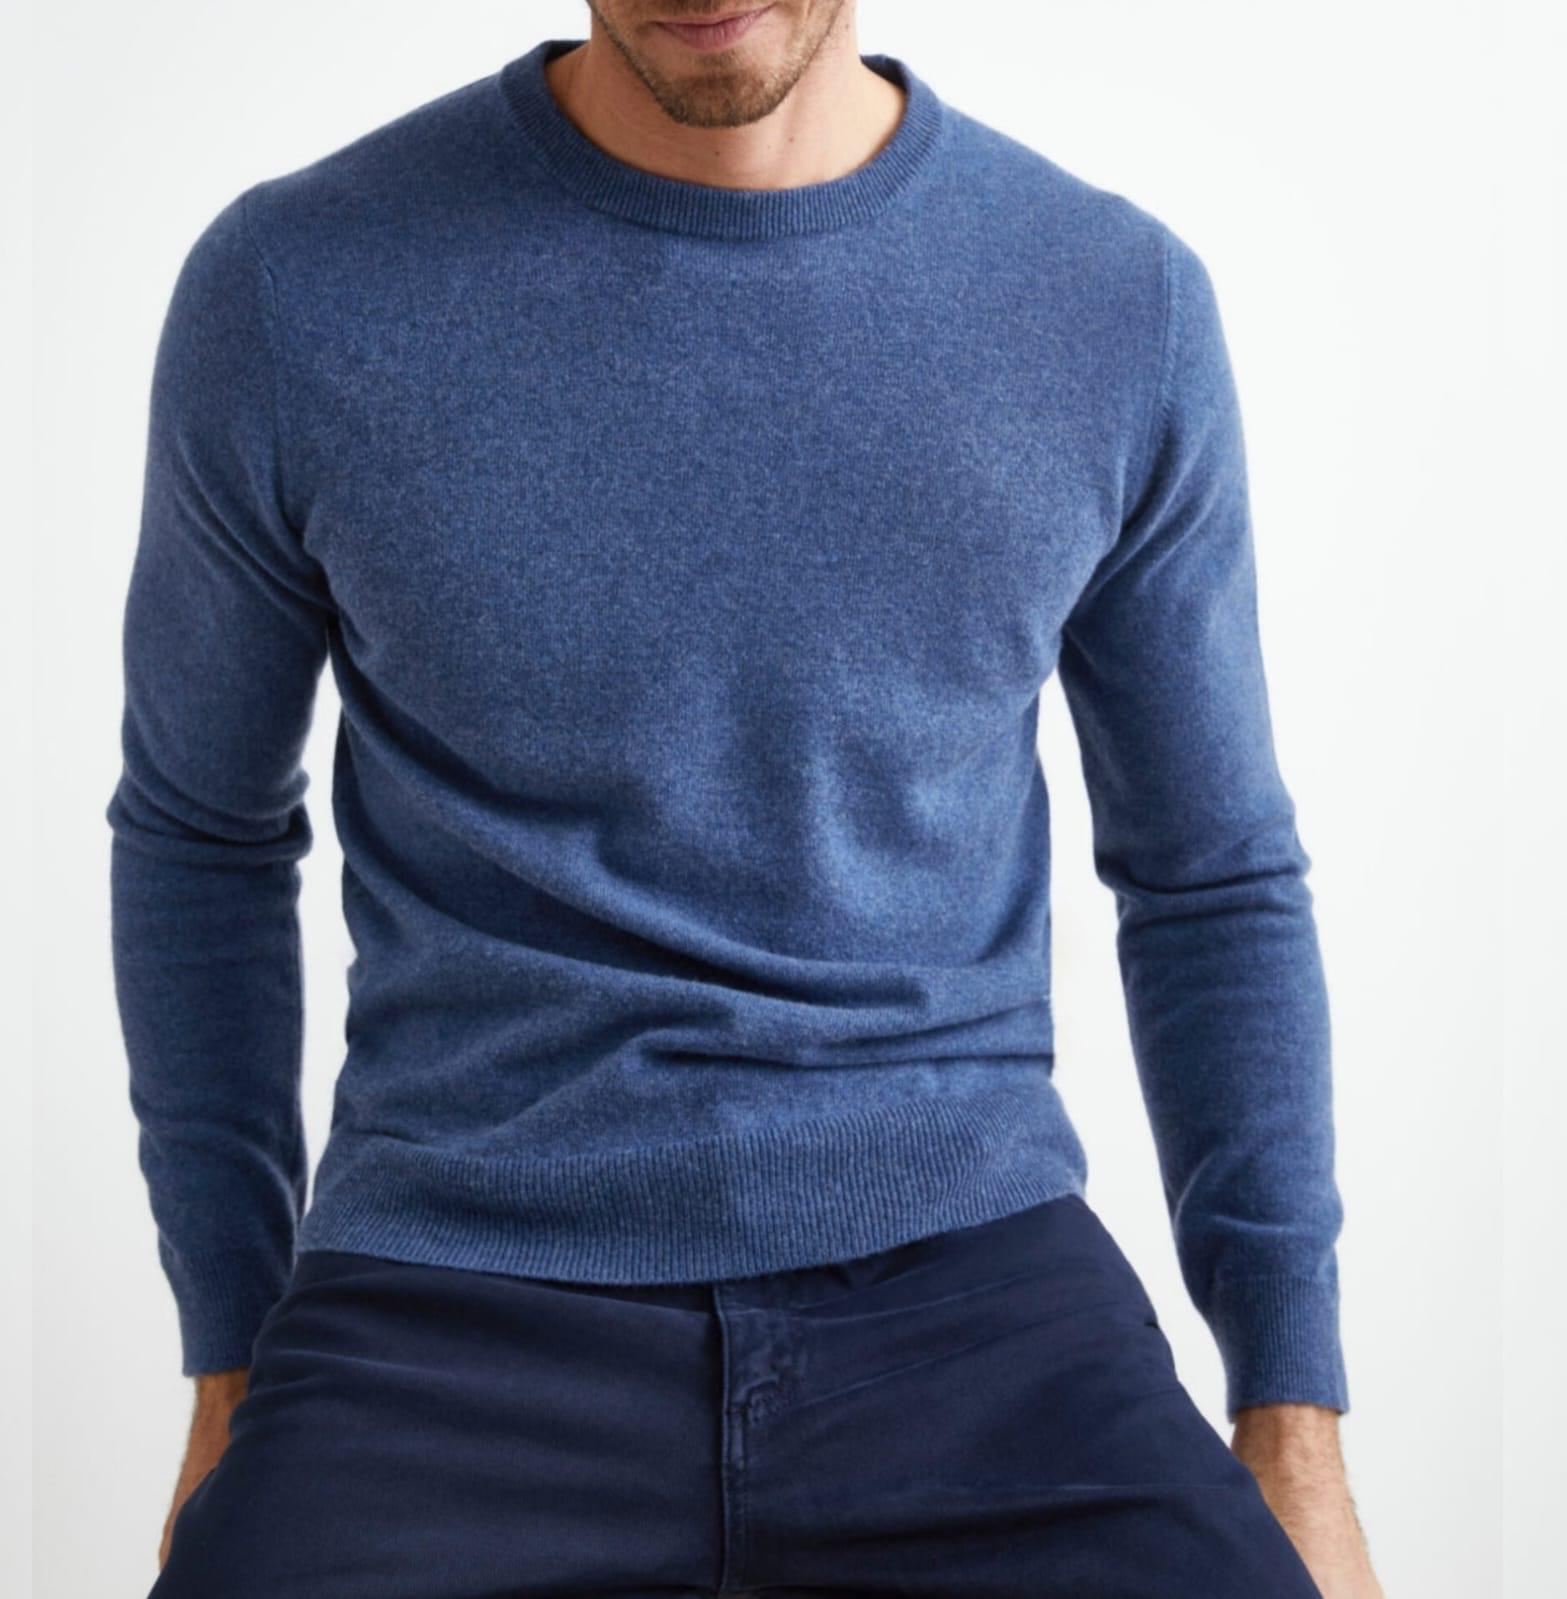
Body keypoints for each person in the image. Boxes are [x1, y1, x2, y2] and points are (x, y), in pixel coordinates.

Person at [105, 4, 1384, 1594]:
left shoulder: (1114, 302)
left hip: (972, 1287)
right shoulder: (295, 289)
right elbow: (201, 832)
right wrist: (230, 1361)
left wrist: (1292, 1421)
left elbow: (1210, 876)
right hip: (452, 1295)